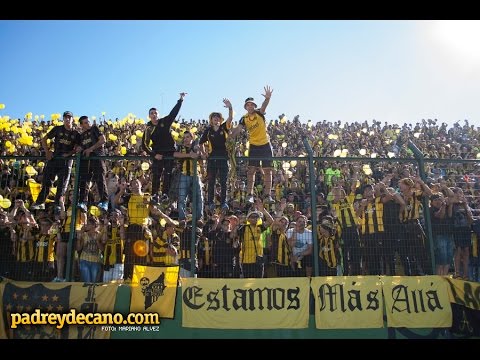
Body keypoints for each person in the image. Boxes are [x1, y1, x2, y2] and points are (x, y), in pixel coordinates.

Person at [230, 85, 274, 204]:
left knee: (268, 170)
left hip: (265, 144)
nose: (250, 106)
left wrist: (267, 98)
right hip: (254, 145)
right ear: (245, 107)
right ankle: (250, 194)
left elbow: (264, 106)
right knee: (251, 170)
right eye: (248, 105)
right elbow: (238, 129)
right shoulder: (244, 118)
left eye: (252, 104)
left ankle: (267, 195)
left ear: (254, 106)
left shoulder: (259, 113)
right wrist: (229, 137)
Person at [142, 92, 187, 205]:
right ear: (149, 116)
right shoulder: (148, 128)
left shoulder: (164, 122)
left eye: (155, 113)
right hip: (157, 154)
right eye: (151, 113)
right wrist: (153, 155)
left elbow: (174, 113)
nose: (153, 115)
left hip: (169, 152)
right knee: (156, 175)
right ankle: (155, 195)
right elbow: (144, 145)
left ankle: (165, 195)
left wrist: (180, 100)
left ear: (158, 114)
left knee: (168, 174)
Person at [31, 111, 80, 212]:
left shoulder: (76, 133)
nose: (67, 119)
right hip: (55, 158)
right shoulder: (58, 129)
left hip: (67, 161)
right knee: (47, 181)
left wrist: (69, 153)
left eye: (69, 117)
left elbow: (78, 148)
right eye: (66, 117)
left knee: (62, 184)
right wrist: (47, 151)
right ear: (63, 119)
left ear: (72, 119)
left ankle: (58, 204)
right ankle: (40, 202)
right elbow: (44, 139)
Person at [198, 98, 233, 213]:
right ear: (211, 120)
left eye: (218, 118)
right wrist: (203, 153)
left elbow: (230, 118)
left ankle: (223, 203)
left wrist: (230, 107)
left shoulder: (224, 127)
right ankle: (210, 202)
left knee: (224, 181)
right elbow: (201, 142)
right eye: (214, 118)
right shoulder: (208, 130)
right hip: (212, 159)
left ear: (220, 120)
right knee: (211, 181)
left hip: (223, 158)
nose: (216, 119)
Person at [76, 115, 109, 213]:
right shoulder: (81, 135)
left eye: (88, 121)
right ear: (81, 125)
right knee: (84, 180)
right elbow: (82, 146)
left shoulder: (94, 128)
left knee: (100, 178)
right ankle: (83, 202)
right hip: (86, 159)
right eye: (85, 122)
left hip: (97, 156)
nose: (88, 124)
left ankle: (104, 201)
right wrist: (80, 148)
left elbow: (103, 140)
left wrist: (91, 149)